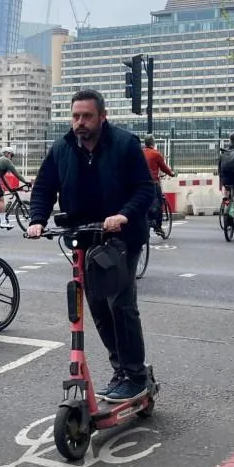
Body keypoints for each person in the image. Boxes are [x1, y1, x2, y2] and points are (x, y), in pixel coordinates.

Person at [27, 89, 155, 402]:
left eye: (87, 116)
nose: (80, 122)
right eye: (75, 116)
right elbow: (44, 186)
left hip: (121, 236)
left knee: (120, 304)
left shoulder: (124, 144)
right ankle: (120, 369)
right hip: (84, 236)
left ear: (102, 117)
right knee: (96, 306)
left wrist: (122, 215)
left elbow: (144, 190)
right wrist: (37, 219)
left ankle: (135, 374)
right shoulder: (63, 147)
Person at [142, 135, 175, 239]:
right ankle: (158, 227)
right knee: (159, 204)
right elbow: (164, 168)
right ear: (153, 143)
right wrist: (171, 173)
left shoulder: (140, 153)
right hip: (153, 183)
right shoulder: (156, 154)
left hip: (141, 183)